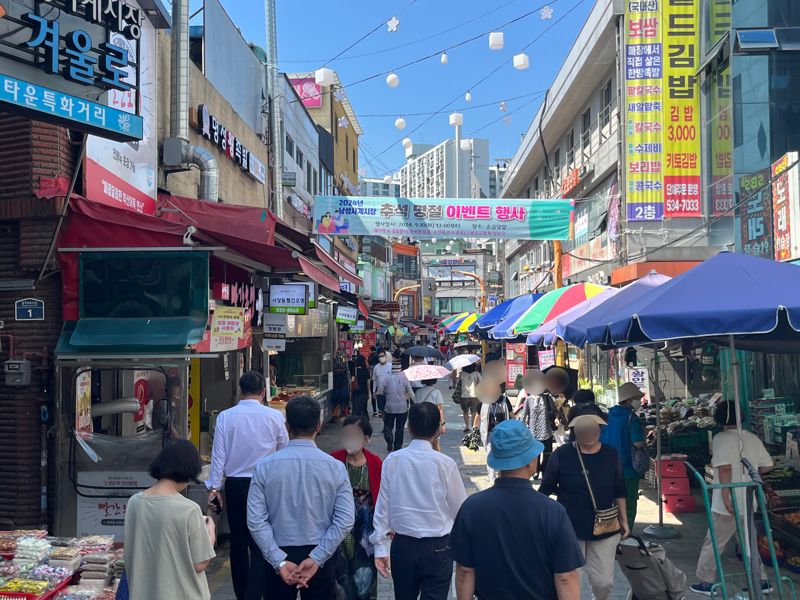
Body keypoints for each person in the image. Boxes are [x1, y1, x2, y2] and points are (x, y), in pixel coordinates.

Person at [451, 420, 584, 600]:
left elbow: (465, 570)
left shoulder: (472, 507)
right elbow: (565, 578)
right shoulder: (552, 512)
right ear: (530, 460)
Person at [247, 396, 355, 599]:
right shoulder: (335, 467)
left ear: (287, 427)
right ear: (318, 425)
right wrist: (317, 557)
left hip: (277, 549)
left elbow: (255, 521)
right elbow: (345, 519)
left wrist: (278, 560)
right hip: (321, 549)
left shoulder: (265, 467)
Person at [371, 403, 468, 600]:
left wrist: (380, 547)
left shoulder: (393, 460)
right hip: (438, 547)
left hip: (403, 546)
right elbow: (461, 510)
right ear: (437, 430)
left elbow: (382, 507)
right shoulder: (445, 464)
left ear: (409, 427)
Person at [206, 370, 288, 600]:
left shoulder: (225, 417)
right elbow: (284, 450)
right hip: (266, 484)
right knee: (264, 540)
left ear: (240, 391)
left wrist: (214, 487)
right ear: (263, 391)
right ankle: (258, 590)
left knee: (239, 541)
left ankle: (242, 593)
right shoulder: (274, 417)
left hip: (236, 486)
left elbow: (218, 455)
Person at [540, 412, 629, 600]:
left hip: (605, 526)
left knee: (603, 582)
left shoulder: (610, 454)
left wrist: (624, 521)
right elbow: (545, 490)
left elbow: (619, 490)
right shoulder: (562, 454)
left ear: (599, 431)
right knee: (571, 578)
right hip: (569, 526)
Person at [690, 401, 774, 596]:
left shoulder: (721, 439)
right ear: (741, 417)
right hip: (748, 498)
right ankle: (761, 580)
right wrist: (747, 471)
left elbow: (725, 467)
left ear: (719, 418)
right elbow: (767, 466)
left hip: (726, 503)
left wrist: (727, 497)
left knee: (714, 542)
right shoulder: (751, 438)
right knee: (748, 541)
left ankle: (705, 581)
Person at [125, 440, 216, 600]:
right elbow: (200, 563)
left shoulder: (135, 502)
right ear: (189, 470)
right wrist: (210, 532)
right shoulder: (189, 509)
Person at [330, 417, 383, 600]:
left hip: (366, 537)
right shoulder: (333, 460)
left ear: (366, 438)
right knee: (341, 588)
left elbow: (382, 501)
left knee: (364, 587)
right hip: (337, 535)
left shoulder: (375, 463)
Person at [599, 382, 646, 527]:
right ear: (630, 399)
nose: (639, 400)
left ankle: (611, 532)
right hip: (628, 469)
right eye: (638, 397)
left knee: (610, 503)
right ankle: (626, 533)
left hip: (607, 467)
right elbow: (638, 443)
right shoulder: (632, 418)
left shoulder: (607, 415)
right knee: (629, 503)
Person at [521, 372, 557, 479]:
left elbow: (554, 411)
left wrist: (556, 418)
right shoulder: (528, 399)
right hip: (533, 431)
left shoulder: (547, 398)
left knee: (547, 454)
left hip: (546, 430)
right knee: (535, 453)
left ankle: (544, 470)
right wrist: (521, 427)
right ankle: (536, 471)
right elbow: (524, 414)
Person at [474, 383, 512, 482]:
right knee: (490, 454)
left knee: (502, 455)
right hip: (489, 433)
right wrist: (474, 429)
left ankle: (500, 475)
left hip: (502, 434)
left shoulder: (504, 401)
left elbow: (511, 415)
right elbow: (478, 416)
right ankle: (492, 478)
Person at [376, 363, 414, 452]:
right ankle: (397, 447)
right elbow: (410, 392)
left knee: (388, 425)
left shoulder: (386, 379)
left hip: (389, 407)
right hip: (402, 408)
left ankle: (389, 437)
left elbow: (380, 391)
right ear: (400, 369)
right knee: (400, 428)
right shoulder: (405, 379)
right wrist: (416, 402)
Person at [414, 379, 446, 451]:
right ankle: (437, 459)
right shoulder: (436, 392)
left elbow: (415, 405)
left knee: (421, 441)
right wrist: (442, 424)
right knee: (436, 443)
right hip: (433, 419)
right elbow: (439, 408)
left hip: (420, 419)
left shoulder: (418, 391)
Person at [459, 363, 481, 433]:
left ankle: (467, 426)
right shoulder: (476, 374)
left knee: (465, 411)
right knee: (474, 412)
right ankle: (473, 426)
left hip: (464, 395)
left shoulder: (462, 374)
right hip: (474, 395)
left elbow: (458, 383)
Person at [371, 350, 392, 417]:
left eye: (382, 356)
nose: (381, 358)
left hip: (389, 393)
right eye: (379, 356)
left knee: (389, 410)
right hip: (380, 393)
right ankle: (385, 423)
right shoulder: (376, 367)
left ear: (386, 356)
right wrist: (374, 392)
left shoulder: (391, 366)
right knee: (382, 410)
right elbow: (374, 380)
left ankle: (388, 424)